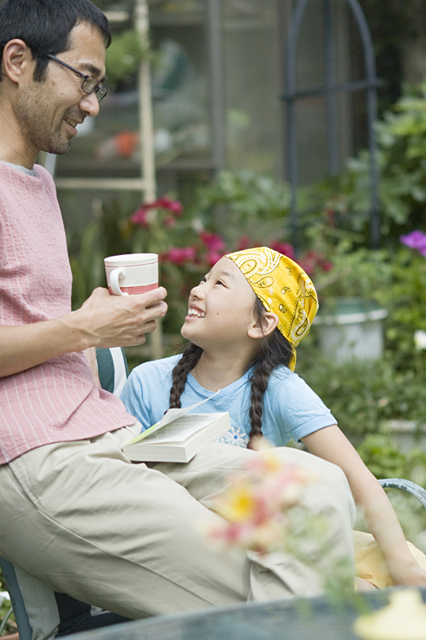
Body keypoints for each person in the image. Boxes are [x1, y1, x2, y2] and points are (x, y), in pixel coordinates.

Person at [0, 0, 357, 622]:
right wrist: (84, 328)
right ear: (17, 61)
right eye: (85, 79)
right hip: (36, 460)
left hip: (113, 436)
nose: (93, 104)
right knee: (255, 582)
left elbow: (29, 327)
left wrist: (83, 323)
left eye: (99, 86)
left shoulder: (36, 183)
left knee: (318, 489)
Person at [121, 246, 426, 590]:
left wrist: (406, 571)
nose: (197, 289)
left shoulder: (282, 391)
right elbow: (121, 482)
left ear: (261, 323)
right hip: (178, 554)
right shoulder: (146, 383)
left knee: (402, 568)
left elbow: (359, 480)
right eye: (204, 279)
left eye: (219, 284)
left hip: (267, 549)